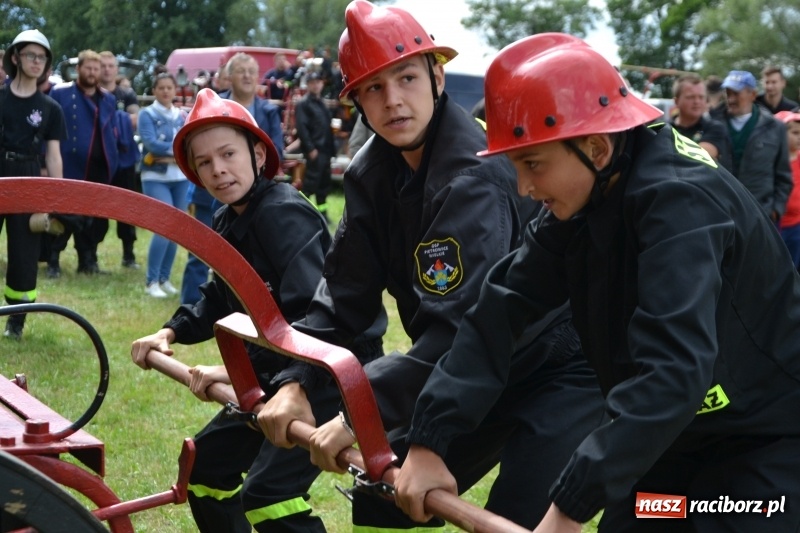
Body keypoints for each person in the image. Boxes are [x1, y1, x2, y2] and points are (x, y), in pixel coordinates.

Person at [392, 33, 800, 533]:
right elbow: (501, 307)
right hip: (667, 446)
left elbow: (673, 370)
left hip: (766, 449)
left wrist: (567, 509)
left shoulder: (681, 205)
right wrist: (430, 437)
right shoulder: (587, 196)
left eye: (532, 164)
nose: (523, 187)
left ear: (595, 146)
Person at [260, 3, 604, 530]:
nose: (393, 101)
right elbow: (343, 298)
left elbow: (465, 326)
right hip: (474, 367)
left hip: (560, 366)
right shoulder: (371, 173)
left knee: (516, 518)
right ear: (354, 101)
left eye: (406, 78)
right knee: (384, 497)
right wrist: (297, 380)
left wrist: (360, 413)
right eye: (373, 88)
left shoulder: (474, 175)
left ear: (437, 75)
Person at [131, 88, 369, 532]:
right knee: (206, 471)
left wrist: (237, 373)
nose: (218, 170)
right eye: (204, 163)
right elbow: (221, 298)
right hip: (273, 374)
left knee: (268, 496)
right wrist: (171, 332)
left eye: (228, 154)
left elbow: (314, 318)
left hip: (326, 373)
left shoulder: (283, 215)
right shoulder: (227, 218)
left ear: (258, 153)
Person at [0, 29, 66, 340]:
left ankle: (16, 320)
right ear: (15, 57)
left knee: (24, 253)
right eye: (31, 55)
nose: (37, 61)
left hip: (28, 175)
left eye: (42, 57)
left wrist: (57, 197)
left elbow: (53, 156)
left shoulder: (51, 108)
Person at [48, 50, 120, 276]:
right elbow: (49, 130)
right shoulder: (60, 93)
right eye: (88, 68)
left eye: (96, 69)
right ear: (78, 69)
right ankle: (53, 262)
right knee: (65, 216)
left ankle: (89, 262)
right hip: (70, 165)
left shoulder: (108, 98)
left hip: (100, 168)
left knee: (96, 220)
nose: (92, 72)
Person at [137, 72, 189, 297]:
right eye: (161, 88)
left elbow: (188, 142)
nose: (166, 91)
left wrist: (168, 149)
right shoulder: (146, 114)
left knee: (177, 231)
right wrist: (176, 151)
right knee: (164, 228)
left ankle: (164, 278)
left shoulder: (183, 115)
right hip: (155, 178)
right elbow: (150, 143)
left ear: (175, 90)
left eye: (170, 87)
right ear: (154, 90)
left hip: (181, 178)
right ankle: (151, 282)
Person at [716, 70, 792, 223]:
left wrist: (776, 210)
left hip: (761, 216)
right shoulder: (713, 124)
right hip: (721, 215)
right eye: (727, 93)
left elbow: (783, 175)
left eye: (736, 93)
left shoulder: (774, 127)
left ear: (752, 94)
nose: (730, 99)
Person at [100, 50, 141, 269]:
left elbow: (136, 119)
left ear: (117, 69)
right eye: (103, 65)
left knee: (127, 208)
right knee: (95, 207)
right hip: (99, 160)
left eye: (110, 65)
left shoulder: (127, 94)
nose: (107, 69)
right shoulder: (91, 93)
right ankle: (89, 257)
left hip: (124, 159)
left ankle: (129, 255)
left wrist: (114, 121)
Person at [223, 53, 285, 160]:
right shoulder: (215, 106)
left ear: (257, 77)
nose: (247, 75)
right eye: (240, 71)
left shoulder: (270, 112)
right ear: (229, 78)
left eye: (251, 71)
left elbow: (277, 152)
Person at [293, 70, 334, 220]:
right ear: (308, 85)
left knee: (323, 185)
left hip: (326, 150)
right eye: (312, 83)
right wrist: (310, 149)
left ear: (322, 84)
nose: (316, 85)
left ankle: (323, 214)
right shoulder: (304, 104)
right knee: (309, 185)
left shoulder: (322, 103)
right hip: (315, 151)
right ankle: (300, 214)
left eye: (318, 82)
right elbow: (302, 128)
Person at [670, 73, 731, 170]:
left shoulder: (715, 128)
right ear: (676, 101)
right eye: (690, 97)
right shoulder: (664, 130)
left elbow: (699, 158)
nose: (697, 102)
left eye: (701, 97)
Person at [775, 110, 800, 270]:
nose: (799, 137)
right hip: (777, 226)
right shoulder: (772, 162)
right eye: (795, 132)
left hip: (797, 227)